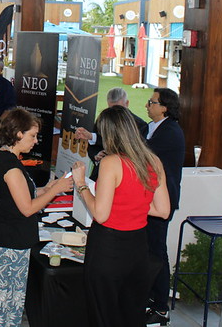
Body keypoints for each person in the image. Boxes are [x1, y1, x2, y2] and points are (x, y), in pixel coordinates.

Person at [71, 106, 170, 326]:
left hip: (108, 248)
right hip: (138, 248)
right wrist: (132, 203)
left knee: (103, 314)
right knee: (131, 313)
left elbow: (100, 214)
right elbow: (163, 210)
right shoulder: (153, 161)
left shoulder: (111, 163)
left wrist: (80, 184)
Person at [0, 108, 73, 327]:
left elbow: (22, 195)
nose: (35, 141)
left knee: (7, 299)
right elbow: (27, 208)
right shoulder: (11, 167)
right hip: (10, 241)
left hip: (7, 236)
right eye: (32, 136)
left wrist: (47, 188)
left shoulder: (5, 157)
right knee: (5, 303)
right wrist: (55, 190)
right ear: (18, 134)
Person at [143, 88, 185, 327]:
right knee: (149, 250)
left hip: (161, 203)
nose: (147, 105)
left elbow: (142, 154)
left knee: (157, 252)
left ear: (165, 108)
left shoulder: (170, 133)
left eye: (152, 102)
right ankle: (150, 297)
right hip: (149, 200)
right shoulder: (152, 127)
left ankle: (161, 307)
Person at [74, 87, 148, 179]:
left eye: (119, 109)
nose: (114, 113)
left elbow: (130, 149)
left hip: (126, 175)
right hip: (100, 174)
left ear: (127, 103)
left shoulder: (139, 125)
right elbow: (92, 147)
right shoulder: (102, 120)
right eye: (111, 108)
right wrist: (96, 155)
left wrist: (93, 137)